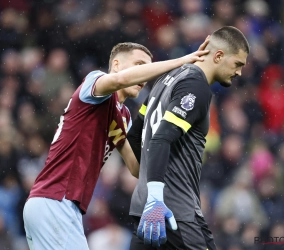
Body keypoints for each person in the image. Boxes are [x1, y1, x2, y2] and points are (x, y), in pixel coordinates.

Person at [22, 41, 210, 250]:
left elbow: (135, 167)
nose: (144, 76)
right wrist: (181, 62)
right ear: (117, 64)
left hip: (60, 206)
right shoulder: (95, 83)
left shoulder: (124, 116)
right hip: (55, 200)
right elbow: (121, 79)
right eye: (139, 65)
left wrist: (166, 148)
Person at [127, 26, 250, 250]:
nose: (239, 72)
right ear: (219, 56)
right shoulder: (196, 87)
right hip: (175, 213)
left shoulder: (165, 79)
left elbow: (135, 134)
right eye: (238, 64)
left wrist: (148, 185)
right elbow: (161, 138)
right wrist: (157, 196)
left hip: (144, 210)